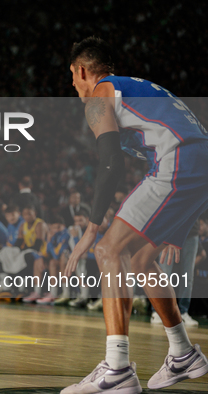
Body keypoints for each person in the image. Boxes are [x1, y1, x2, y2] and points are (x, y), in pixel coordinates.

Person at [62, 37, 208, 394]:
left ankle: (117, 369)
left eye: (72, 76)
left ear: (83, 71)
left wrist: (91, 229)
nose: (72, 85)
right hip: (196, 163)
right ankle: (182, 353)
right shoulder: (135, 88)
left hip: (179, 161)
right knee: (140, 260)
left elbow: (110, 163)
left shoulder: (99, 95)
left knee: (108, 251)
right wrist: (178, 226)